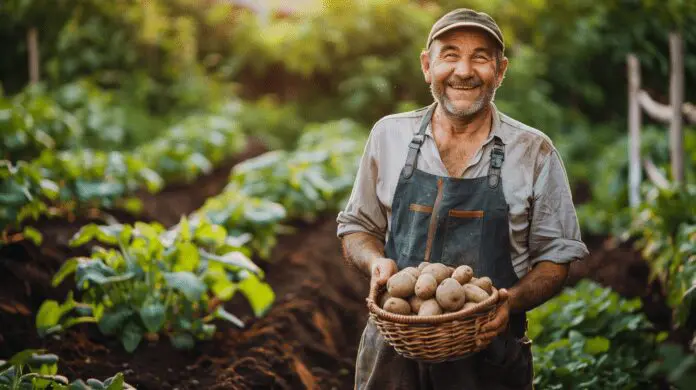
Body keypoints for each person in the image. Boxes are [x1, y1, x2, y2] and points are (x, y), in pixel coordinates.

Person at [336, 7, 589, 390]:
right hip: (392, 353)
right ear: (427, 65)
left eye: (481, 58)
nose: (464, 71)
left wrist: (511, 302)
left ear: (500, 71)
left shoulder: (534, 152)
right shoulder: (388, 136)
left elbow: (556, 257)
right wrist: (376, 263)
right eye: (450, 55)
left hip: (490, 358)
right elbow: (358, 227)